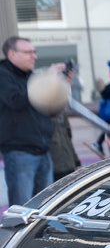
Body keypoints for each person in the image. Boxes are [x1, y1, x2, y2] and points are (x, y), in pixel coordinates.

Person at [0, 37, 55, 206]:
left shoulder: (31, 77)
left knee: (46, 207)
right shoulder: (3, 74)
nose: (34, 56)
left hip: (43, 150)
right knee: (22, 209)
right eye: (28, 52)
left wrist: (58, 85)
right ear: (12, 54)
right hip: (20, 151)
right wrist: (44, 81)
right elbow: (15, 100)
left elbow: (51, 109)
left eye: (34, 52)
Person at [49, 62, 82, 182]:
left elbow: (67, 138)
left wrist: (76, 162)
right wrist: (51, 79)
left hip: (68, 167)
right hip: (52, 169)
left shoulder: (61, 110)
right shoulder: (43, 107)